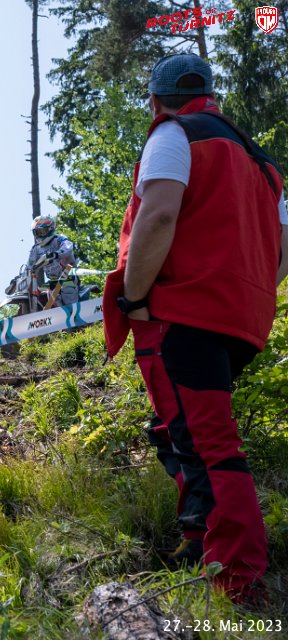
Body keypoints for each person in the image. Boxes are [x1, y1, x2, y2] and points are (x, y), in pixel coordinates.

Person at [102, 53, 288, 601]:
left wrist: (135, 297)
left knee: (208, 441)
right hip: (240, 320)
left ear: (156, 101)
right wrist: (249, 291)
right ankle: (197, 536)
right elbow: (284, 250)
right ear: (212, 96)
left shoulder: (173, 134)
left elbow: (159, 215)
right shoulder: (264, 166)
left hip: (182, 313)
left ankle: (237, 580)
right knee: (175, 427)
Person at [27, 215, 78, 306]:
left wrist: (56, 254)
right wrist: (21, 276)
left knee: (67, 290)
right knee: (38, 294)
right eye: (38, 232)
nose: (41, 234)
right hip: (53, 280)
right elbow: (29, 265)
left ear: (51, 228)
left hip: (68, 277)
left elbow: (68, 247)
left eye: (43, 231)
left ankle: (75, 312)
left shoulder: (59, 239)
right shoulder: (36, 249)